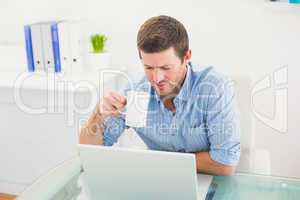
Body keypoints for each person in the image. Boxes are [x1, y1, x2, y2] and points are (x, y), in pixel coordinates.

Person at [80, 15, 240, 176]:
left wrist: (159, 162)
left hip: (206, 180)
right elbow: (90, 155)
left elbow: (225, 163)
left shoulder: (214, 88)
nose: (156, 79)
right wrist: (97, 115)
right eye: (148, 67)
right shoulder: (135, 90)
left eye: (165, 67)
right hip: (159, 179)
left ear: (186, 57)